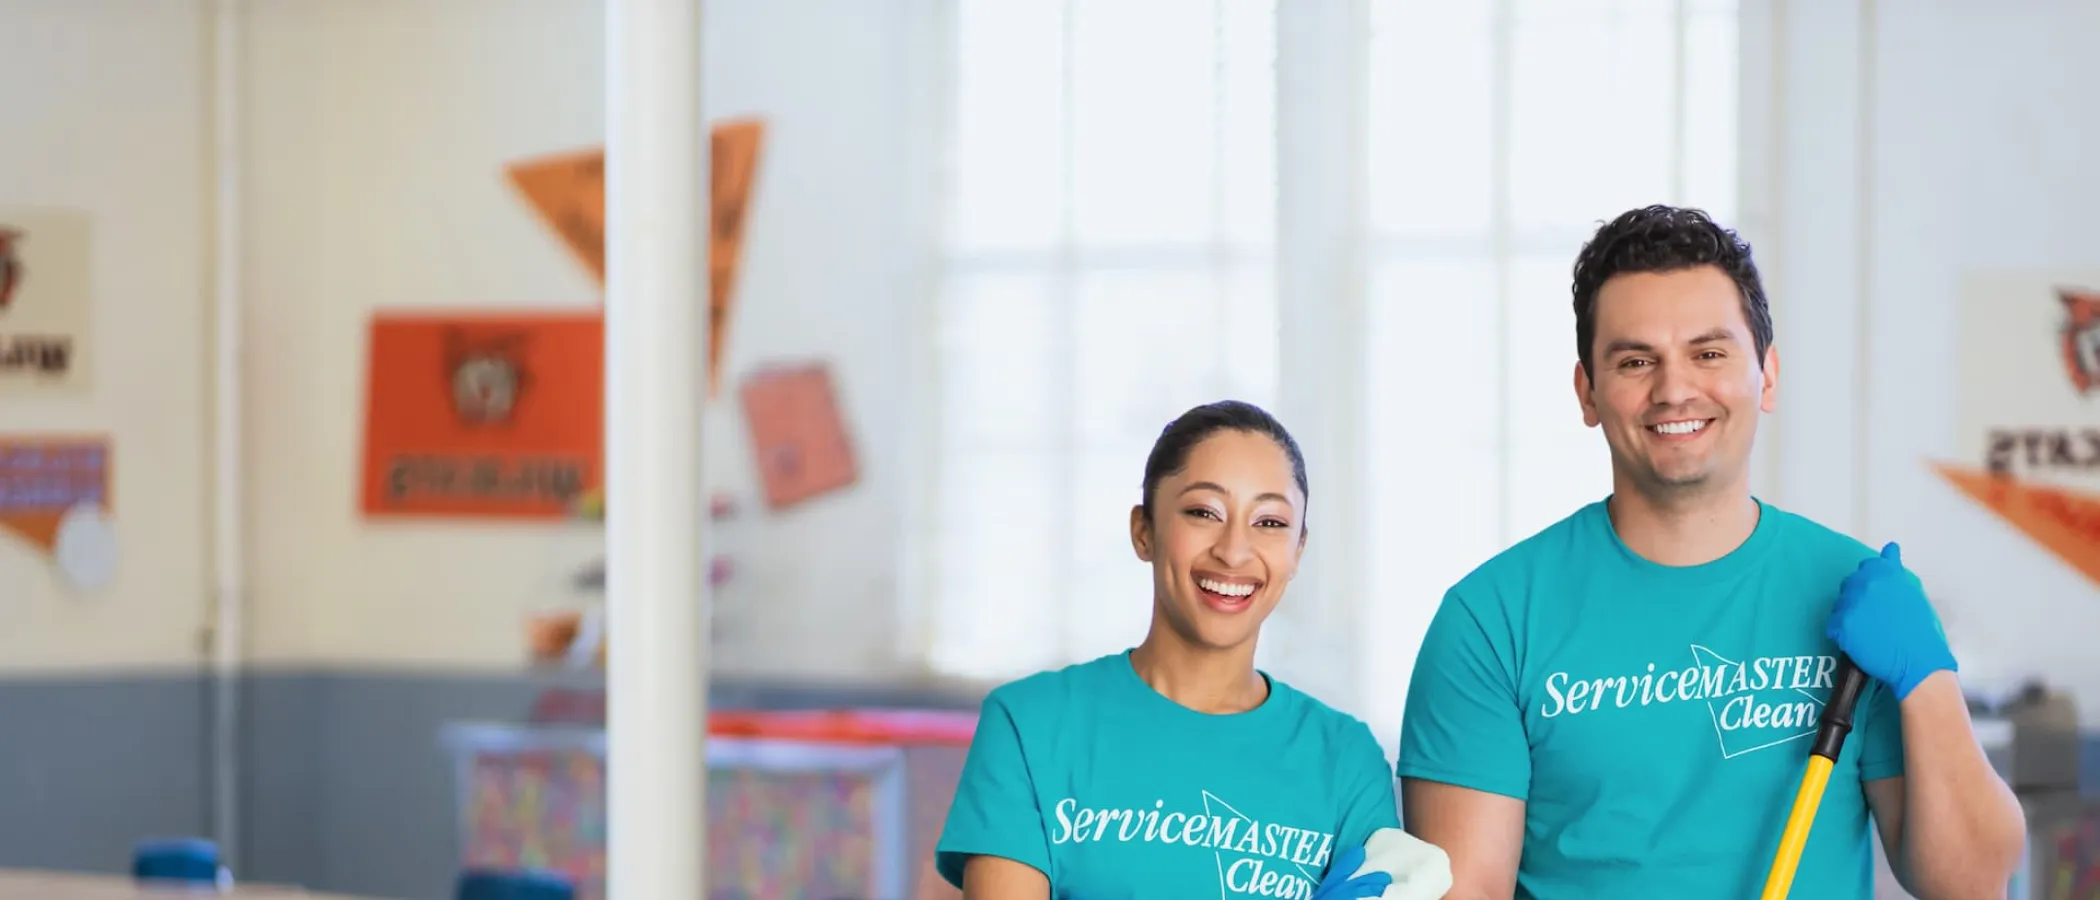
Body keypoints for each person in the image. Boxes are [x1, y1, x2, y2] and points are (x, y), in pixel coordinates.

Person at [1396, 205, 2028, 899]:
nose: (1674, 390)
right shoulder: (1491, 622)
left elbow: (1972, 884)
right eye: (1636, 361)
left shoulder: (1863, 603)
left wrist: (1928, 677)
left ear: (1768, 376)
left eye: (1709, 354)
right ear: (1588, 393)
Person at [934, 400, 1433, 899]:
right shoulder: (1029, 725)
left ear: (1297, 551)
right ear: (1144, 532)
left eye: (1269, 523)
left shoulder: (1345, 760)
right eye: (1203, 513)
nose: (1233, 551)